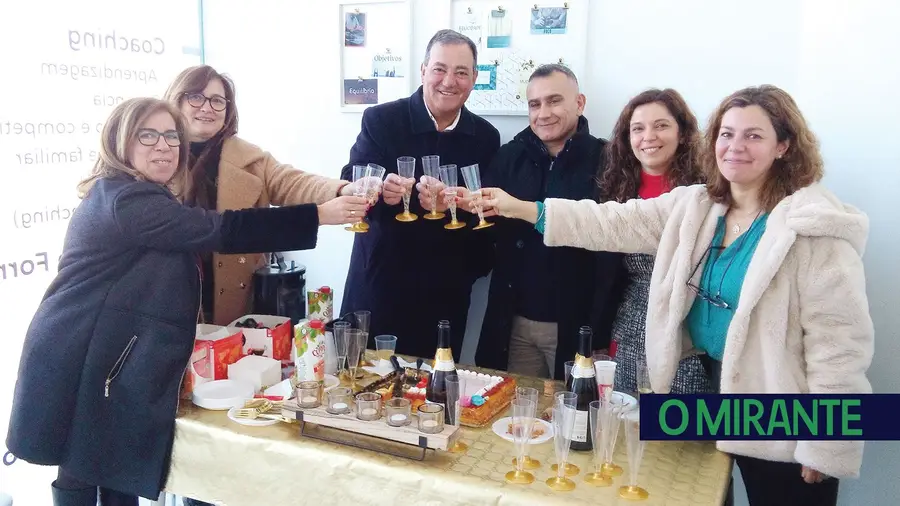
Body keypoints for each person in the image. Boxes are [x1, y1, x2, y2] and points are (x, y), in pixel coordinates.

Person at [480, 84, 873, 506]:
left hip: (780, 406)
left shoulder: (813, 228)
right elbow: (608, 223)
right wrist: (520, 207)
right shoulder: (698, 206)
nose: (735, 146)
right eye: (726, 133)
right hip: (706, 385)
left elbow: (839, 347)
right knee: (682, 490)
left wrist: (828, 441)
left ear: (784, 145)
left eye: (753, 135)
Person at [4, 98, 367, 506]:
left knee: (109, 463)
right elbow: (221, 229)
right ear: (120, 141)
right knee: (83, 468)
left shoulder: (136, 192)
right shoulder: (128, 201)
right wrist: (318, 214)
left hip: (102, 347)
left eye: (171, 136)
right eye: (148, 135)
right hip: (82, 347)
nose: (163, 146)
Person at [339, 29, 500, 360]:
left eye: (461, 72)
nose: (449, 81)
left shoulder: (485, 137)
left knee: (432, 393)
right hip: (381, 282)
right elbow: (349, 181)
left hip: (446, 290)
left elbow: (490, 211)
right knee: (365, 384)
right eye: (440, 69)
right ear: (424, 69)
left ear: (474, 78)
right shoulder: (381, 119)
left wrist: (458, 205)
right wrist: (382, 190)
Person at [163, 65, 367, 326]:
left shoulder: (250, 158)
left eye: (217, 101)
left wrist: (340, 189)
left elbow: (292, 182)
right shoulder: (156, 157)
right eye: (196, 97)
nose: (207, 107)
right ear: (176, 99)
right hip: (170, 299)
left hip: (233, 301)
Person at [473, 64, 624, 381]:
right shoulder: (508, 157)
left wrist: (601, 333)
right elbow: (482, 226)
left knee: (575, 421)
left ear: (579, 103)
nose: (544, 113)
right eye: (534, 104)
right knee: (515, 418)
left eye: (554, 101)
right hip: (513, 323)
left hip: (578, 326)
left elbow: (614, 254)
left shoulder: (610, 160)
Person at [596, 88, 711, 395]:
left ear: (683, 133)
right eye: (638, 128)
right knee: (624, 436)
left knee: (680, 440)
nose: (649, 136)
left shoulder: (708, 192)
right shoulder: (617, 188)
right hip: (629, 335)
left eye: (661, 125)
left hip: (687, 346)